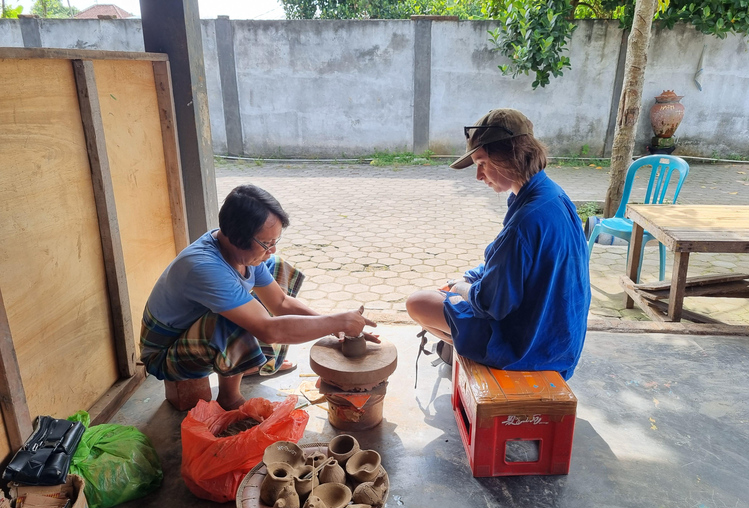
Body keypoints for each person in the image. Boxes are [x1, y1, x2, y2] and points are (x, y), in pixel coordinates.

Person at [140, 184, 378, 409]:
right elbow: (268, 329)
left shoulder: (239, 253)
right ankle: (230, 398)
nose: (272, 248)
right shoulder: (204, 268)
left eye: (275, 241)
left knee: (276, 266)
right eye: (266, 243)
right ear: (237, 237)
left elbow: (280, 302)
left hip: (192, 329)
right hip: (164, 352)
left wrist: (332, 327)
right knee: (237, 318)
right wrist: (338, 321)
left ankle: (255, 361)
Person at [406, 109, 590, 380]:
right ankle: (467, 345)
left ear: (510, 156)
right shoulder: (550, 194)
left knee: (418, 303)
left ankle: (481, 357)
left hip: (530, 349)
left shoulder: (524, 222)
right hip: (559, 342)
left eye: (482, 162)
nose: (479, 176)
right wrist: (469, 277)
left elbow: (490, 303)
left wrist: (459, 287)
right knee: (451, 294)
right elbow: (508, 264)